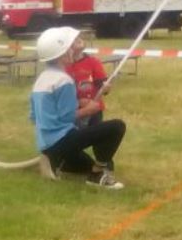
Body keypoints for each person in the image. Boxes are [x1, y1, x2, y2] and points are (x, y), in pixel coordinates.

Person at [29, 27, 126, 189]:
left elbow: (33, 116)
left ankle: (54, 161)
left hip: (46, 143)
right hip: (62, 140)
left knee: (85, 165)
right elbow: (67, 117)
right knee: (116, 127)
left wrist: (79, 102)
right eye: (69, 49)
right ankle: (97, 175)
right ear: (64, 55)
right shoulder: (64, 81)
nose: (73, 51)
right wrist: (89, 110)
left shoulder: (42, 79)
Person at [65, 36, 109, 125]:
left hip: (94, 109)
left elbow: (102, 85)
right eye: (73, 38)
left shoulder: (93, 62)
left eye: (79, 36)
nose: (78, 39)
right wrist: (78, 102)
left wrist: (106, 88)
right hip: (72, 110)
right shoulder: (63, 65)